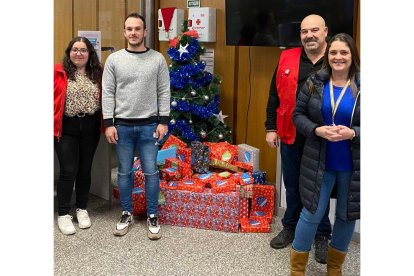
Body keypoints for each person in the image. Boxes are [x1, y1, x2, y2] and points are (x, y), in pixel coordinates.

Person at [290, 33, 360, 275]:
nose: (338, 57)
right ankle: (297, 270)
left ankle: (334, 269)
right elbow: (297, 116)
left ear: (352, 56)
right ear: (327, 56)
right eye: (333, 52)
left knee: (345, 216)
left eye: (344, 52)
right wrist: (316, 129)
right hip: (319, 161)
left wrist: (353, 133)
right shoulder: (314, 83)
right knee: (311, 214)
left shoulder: (364, 86)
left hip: (353, 165)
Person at [265, 14, 332, 263]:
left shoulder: (335, 58)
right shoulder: (287, 57)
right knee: (292, 185)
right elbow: (274, 95)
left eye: (314, 30)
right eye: (304, 32)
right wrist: (270, 127)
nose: (309, 36)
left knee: (319, 188)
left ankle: (322, 234)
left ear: (325, 31)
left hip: (322, 137)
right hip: (291, 133)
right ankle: (290, 226)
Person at [102, 13, 170, 239]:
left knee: (151, 172)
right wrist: (108, 124)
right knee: (124, 172)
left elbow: (163, 91)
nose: (133, 33)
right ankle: (126, 212)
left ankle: (152, 215)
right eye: (129, 29)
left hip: (149, 126)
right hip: (121, 127)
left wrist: (163, 121)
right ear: (124, 32)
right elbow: (108, 93)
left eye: (137, 29)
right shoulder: (114, 60)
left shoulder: (157, 59)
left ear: (144, 32)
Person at [54, 37, 103, 235]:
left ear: (90, 53)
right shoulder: (59, 72)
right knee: (68, 170)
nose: (79, 53)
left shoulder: (97, 73)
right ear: (69, 52)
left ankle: (81, 208)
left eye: (83, 50)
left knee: (85, 169)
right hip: (67, 127)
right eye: (75, 49)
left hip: (91, 125)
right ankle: (63, 213)